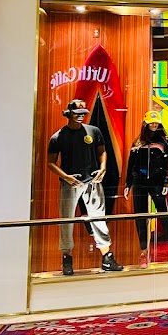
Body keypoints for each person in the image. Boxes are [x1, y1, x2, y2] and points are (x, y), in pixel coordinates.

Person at [46, 99, 123, 275]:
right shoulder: (58, 137)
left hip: (92, 181)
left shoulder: (93, 131)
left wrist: (103, 168)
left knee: (99, 218)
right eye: (77, 113)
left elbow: (102, 151)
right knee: (67, 220)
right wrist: (66, 176)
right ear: (69, 114)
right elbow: (50, 162)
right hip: (69, 184)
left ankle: (107, 257)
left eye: (83, 113)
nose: (80, 116)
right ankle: (67, 258)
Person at [123, 111, 168, 268]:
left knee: (164, 216)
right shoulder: (137, 143)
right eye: (151, 122)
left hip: (157, 183)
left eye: (156, 123)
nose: (153, 125)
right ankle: (143, 253)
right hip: (139, 183)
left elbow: (167, 165)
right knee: (141, 218)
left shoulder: (164, 142)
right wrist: (128, 184)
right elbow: (131, 165)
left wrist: (165, 183)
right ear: (145, 124)